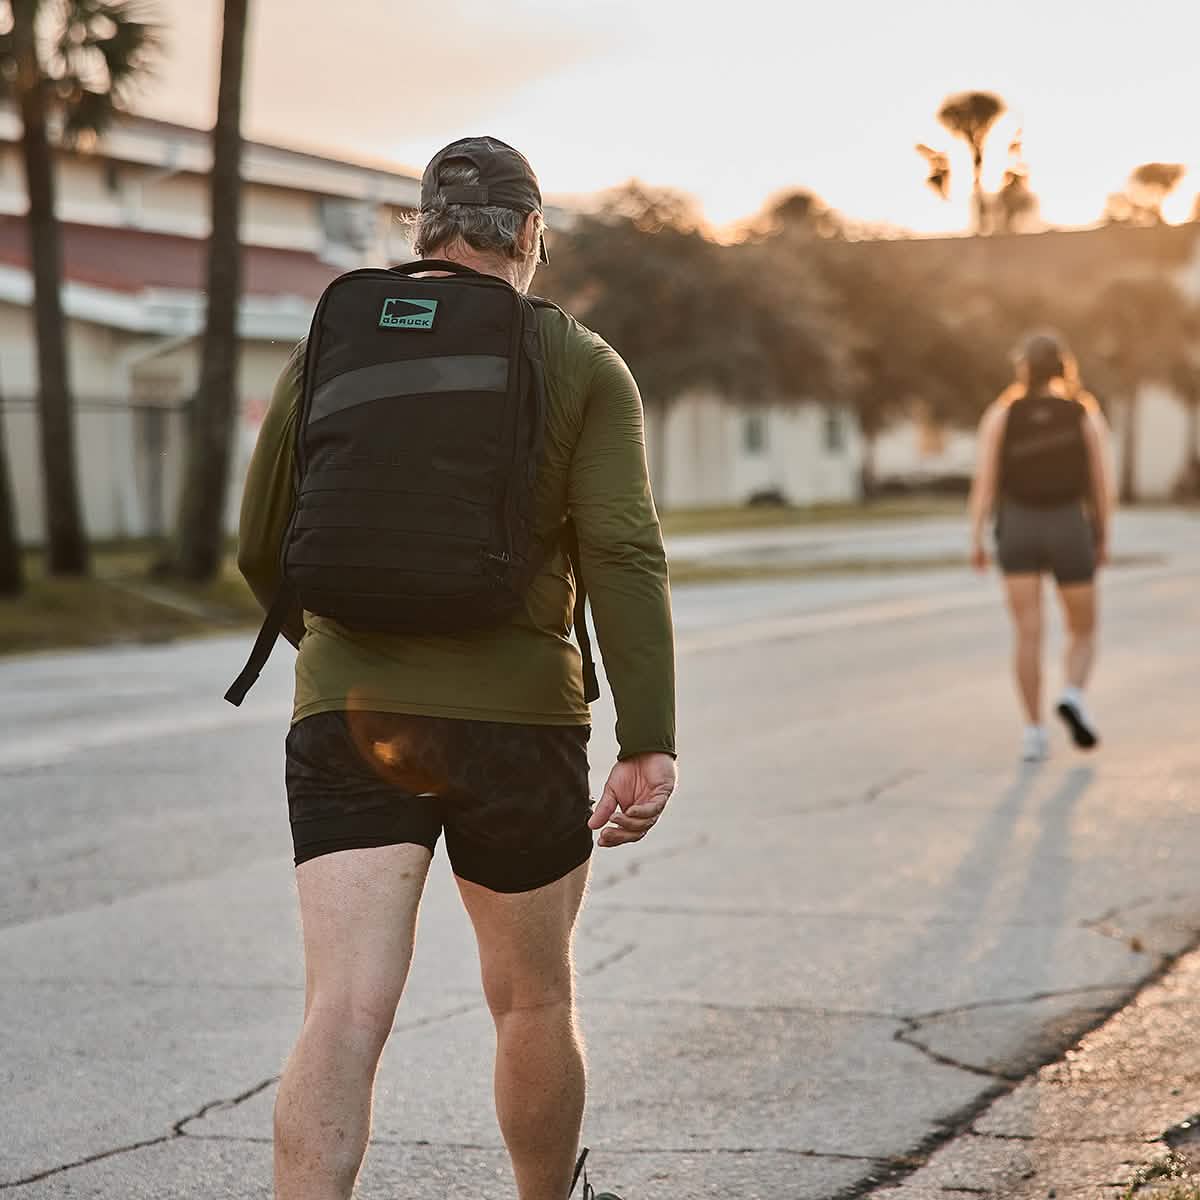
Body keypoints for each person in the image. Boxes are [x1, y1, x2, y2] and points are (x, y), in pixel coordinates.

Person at [237, 136, 678, 1200]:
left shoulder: (334, 345)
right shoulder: (579, 359)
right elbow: (620, 549)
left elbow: (261, 543)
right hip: (516, 725)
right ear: (531, 234)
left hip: (347, 715)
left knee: (342, 1008)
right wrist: (647, 737)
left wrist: (343, 659)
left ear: (420, 230)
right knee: (531, 1002)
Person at [969, 330, 1114, 762]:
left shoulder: (1002, 415)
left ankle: (1033, 733)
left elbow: (985, 484)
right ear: (1063, 366)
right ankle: (1072, 694)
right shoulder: (1083, 414)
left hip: (1017, 527)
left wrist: (975, 536)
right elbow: (1101, 486)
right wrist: (1102, 535)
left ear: (1023, 367)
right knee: (1083, 629)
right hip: (1069, 525)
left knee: (1027, 632)